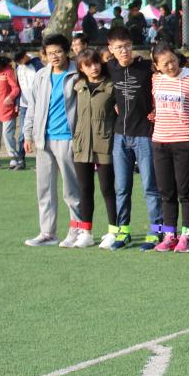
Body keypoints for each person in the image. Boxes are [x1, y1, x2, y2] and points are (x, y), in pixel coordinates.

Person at [21, 34, 81, 246]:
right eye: (49, 53)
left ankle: (78, 230)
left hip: (68, 138)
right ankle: (47, 233)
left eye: (58, 52)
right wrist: (28, 134)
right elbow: (32, 106)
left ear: (67, 52)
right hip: (43, 139)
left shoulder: (77, 73)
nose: (54, 56)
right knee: (44, 189)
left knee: (71, 190)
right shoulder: (41, 75)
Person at [105, 26, 160, 251]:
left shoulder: (146, 66)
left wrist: (157, 109)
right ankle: (123, 231)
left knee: (150, 187)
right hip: (120, 136)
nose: (124, 51)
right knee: (121, 187)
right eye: (119, 47)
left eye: (127, 46)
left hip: (145, 135)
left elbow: (169, 75)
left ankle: (156, 231)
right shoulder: (110, 67)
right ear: (111, 49)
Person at [150, 44, 189, 252]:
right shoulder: (155, 80)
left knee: (186, 191)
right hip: (160, 140)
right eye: (165, 64)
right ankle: (169, 234)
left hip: (184, 140)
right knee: (166, 191)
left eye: (173, 60)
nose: (171, 66)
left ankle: (187, 234)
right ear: (157, 66)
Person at [70, 48, 117, 249]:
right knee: (85, 190)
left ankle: (113, 231)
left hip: (105, 144)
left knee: (108, 189)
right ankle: (86, 233)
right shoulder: (78, 87)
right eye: (88, 65)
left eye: (96, 62)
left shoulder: (111, 86)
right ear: (81, 68)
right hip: (82, 146)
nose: (93, 68)